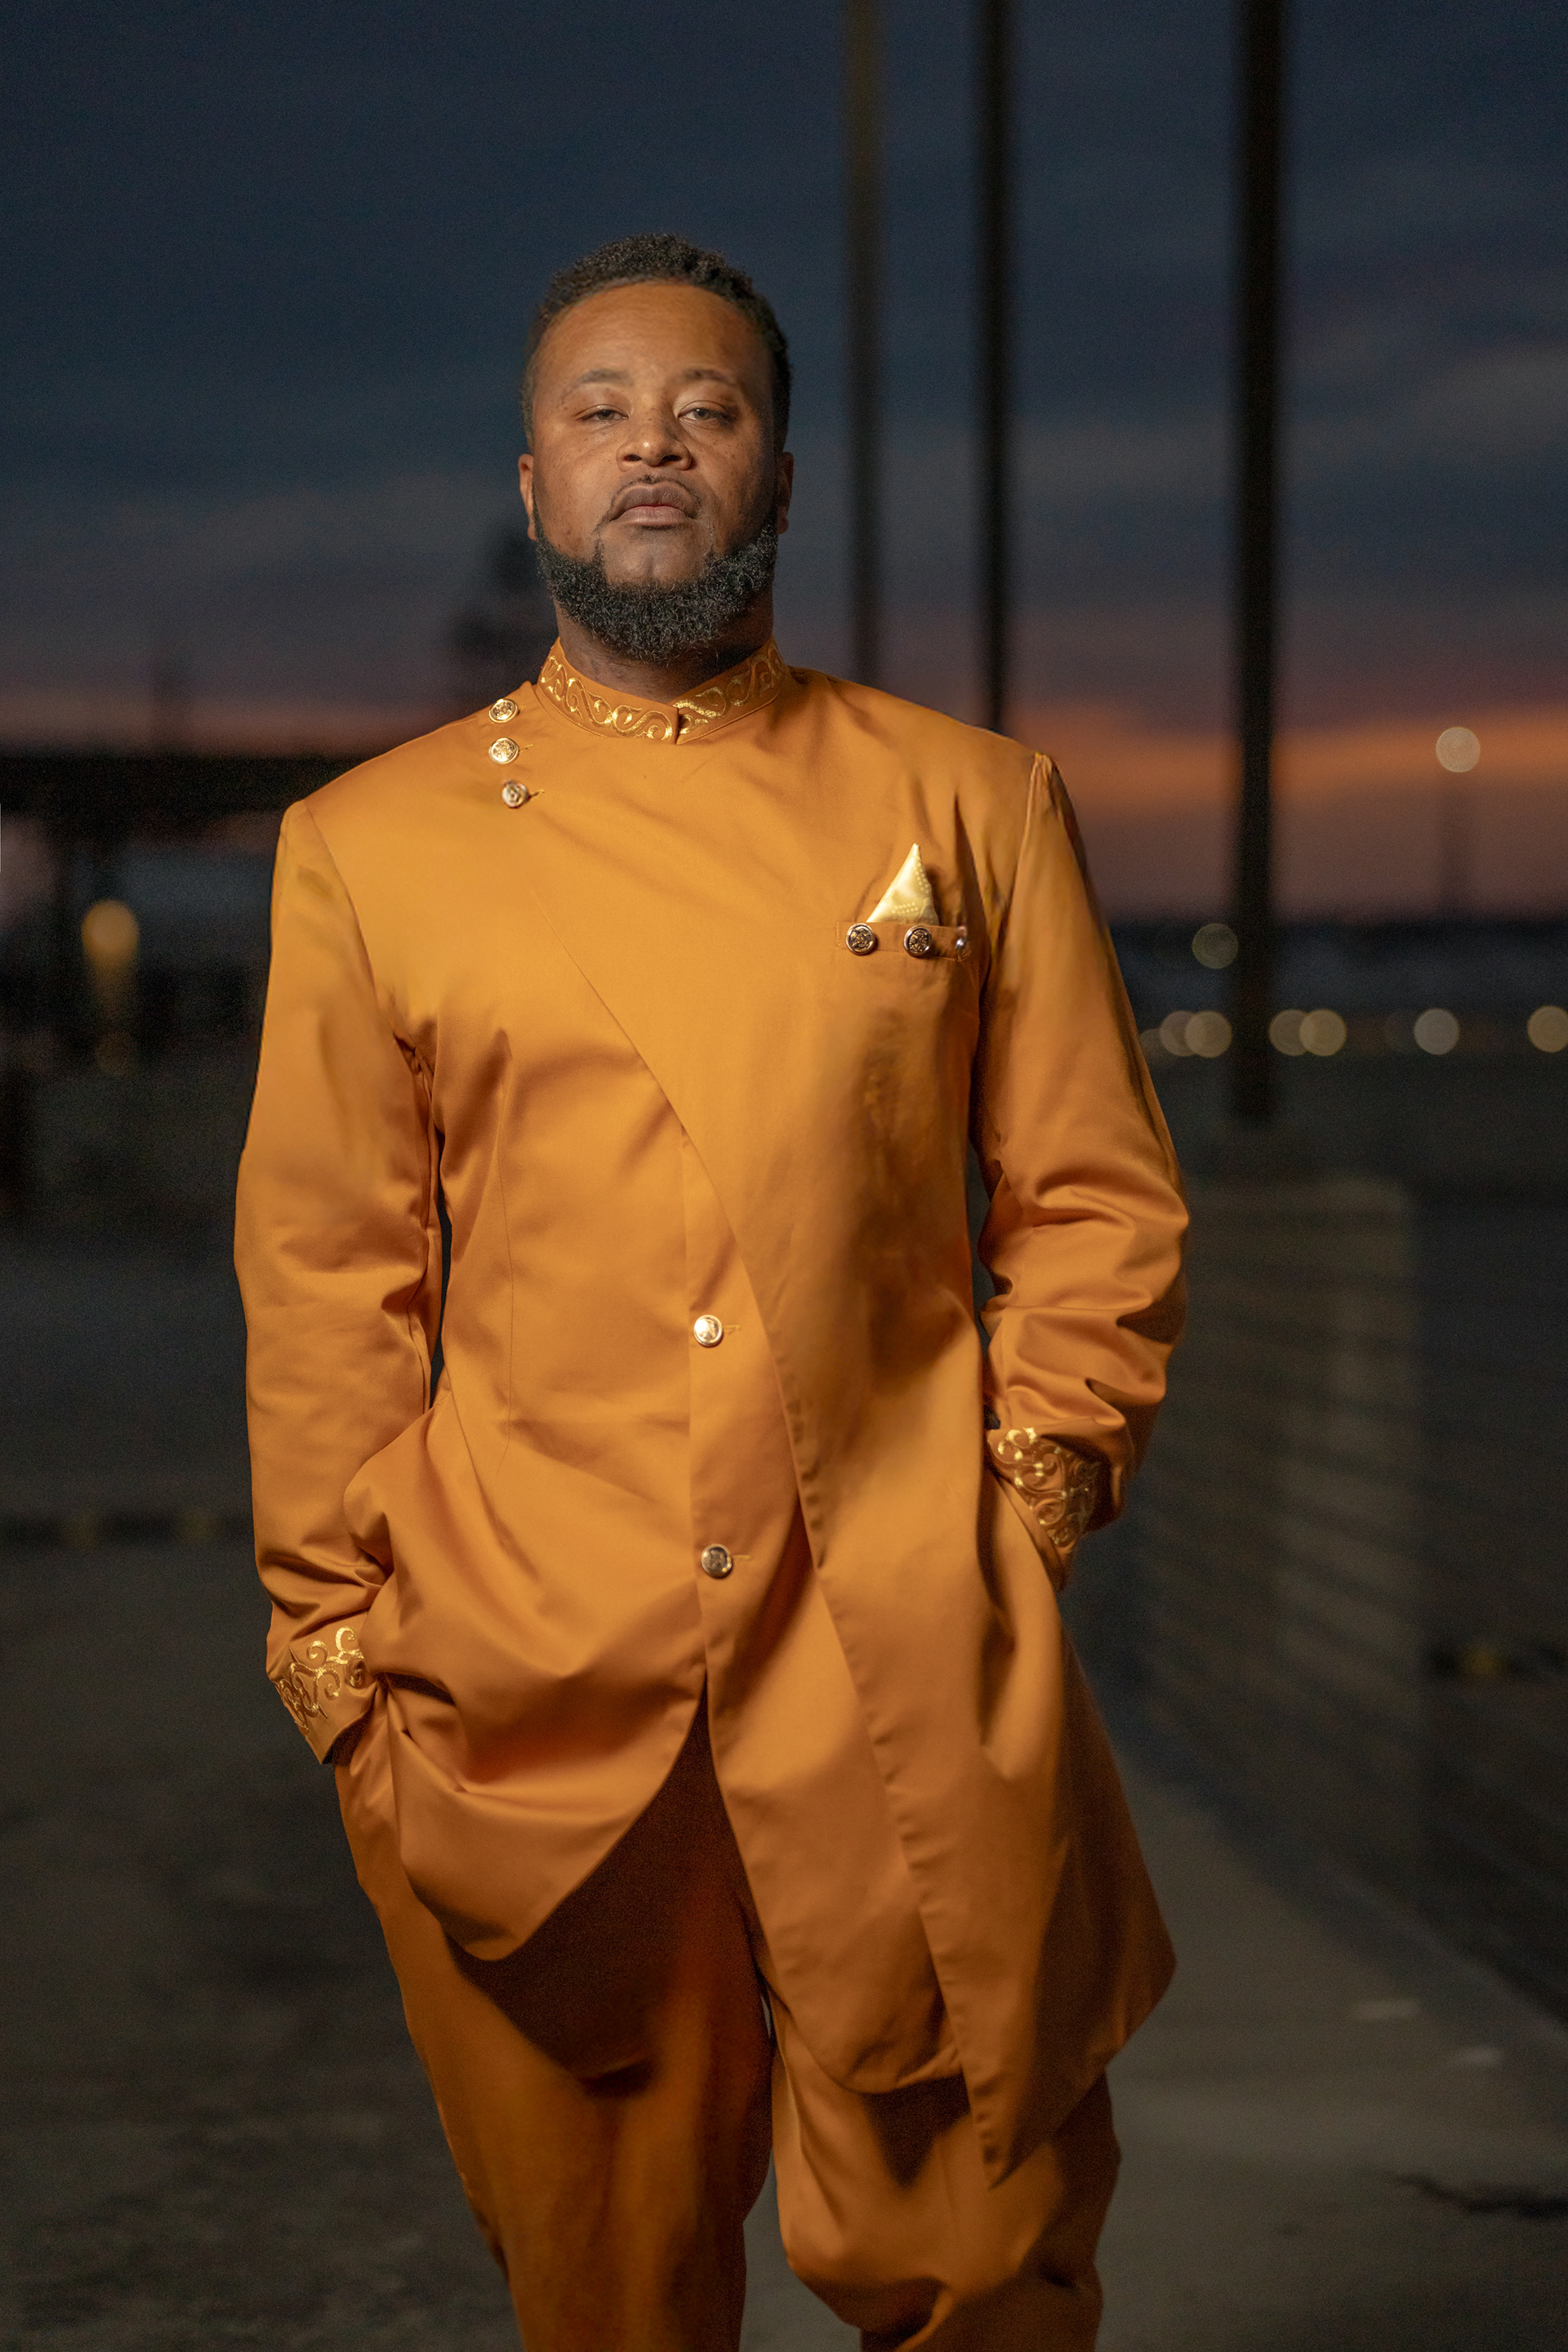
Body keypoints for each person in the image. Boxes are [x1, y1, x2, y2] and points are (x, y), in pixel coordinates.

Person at [235, 231, 1187, 2352]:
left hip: (901, 1637)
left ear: (778, 475)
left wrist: (1023, 1505)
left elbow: (1098, 1200)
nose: (652, 444)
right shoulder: (370, 846)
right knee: (604, 2279)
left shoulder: (970, 800)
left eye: (707, 408)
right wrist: (339, 1646)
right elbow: (326, 1274)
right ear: (534, 483)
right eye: (601, 412)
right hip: (525, 1662)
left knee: (990, 2250)